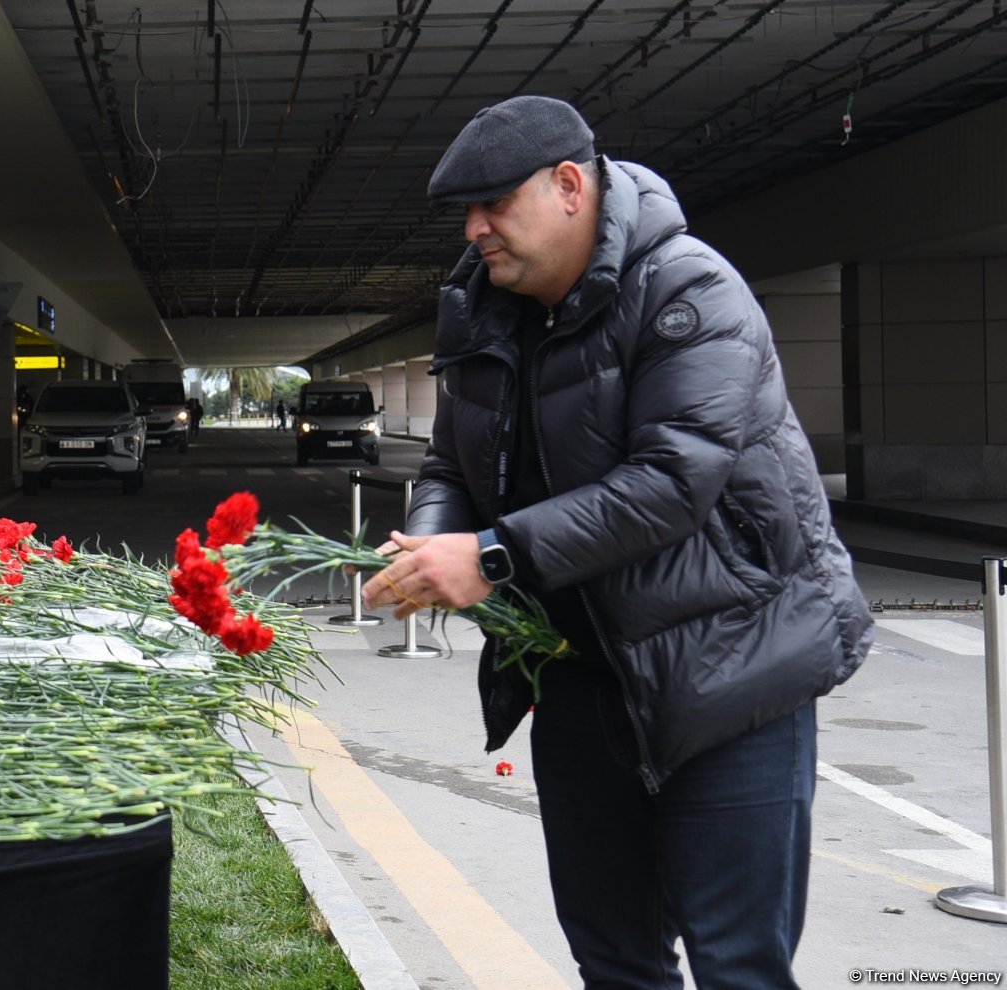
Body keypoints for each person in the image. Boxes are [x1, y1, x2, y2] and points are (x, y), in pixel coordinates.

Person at [360, 95, 871, 989]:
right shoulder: (486, 308)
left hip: (732, 672)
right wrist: (426, 550)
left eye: (493, 204)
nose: (474, 229)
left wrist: (489, 558)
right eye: (465, 211)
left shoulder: (690, 290)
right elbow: (450, 461)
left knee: (737, 964)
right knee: (615, 960)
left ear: (568, 186)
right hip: (580, 678)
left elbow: (673, 482)